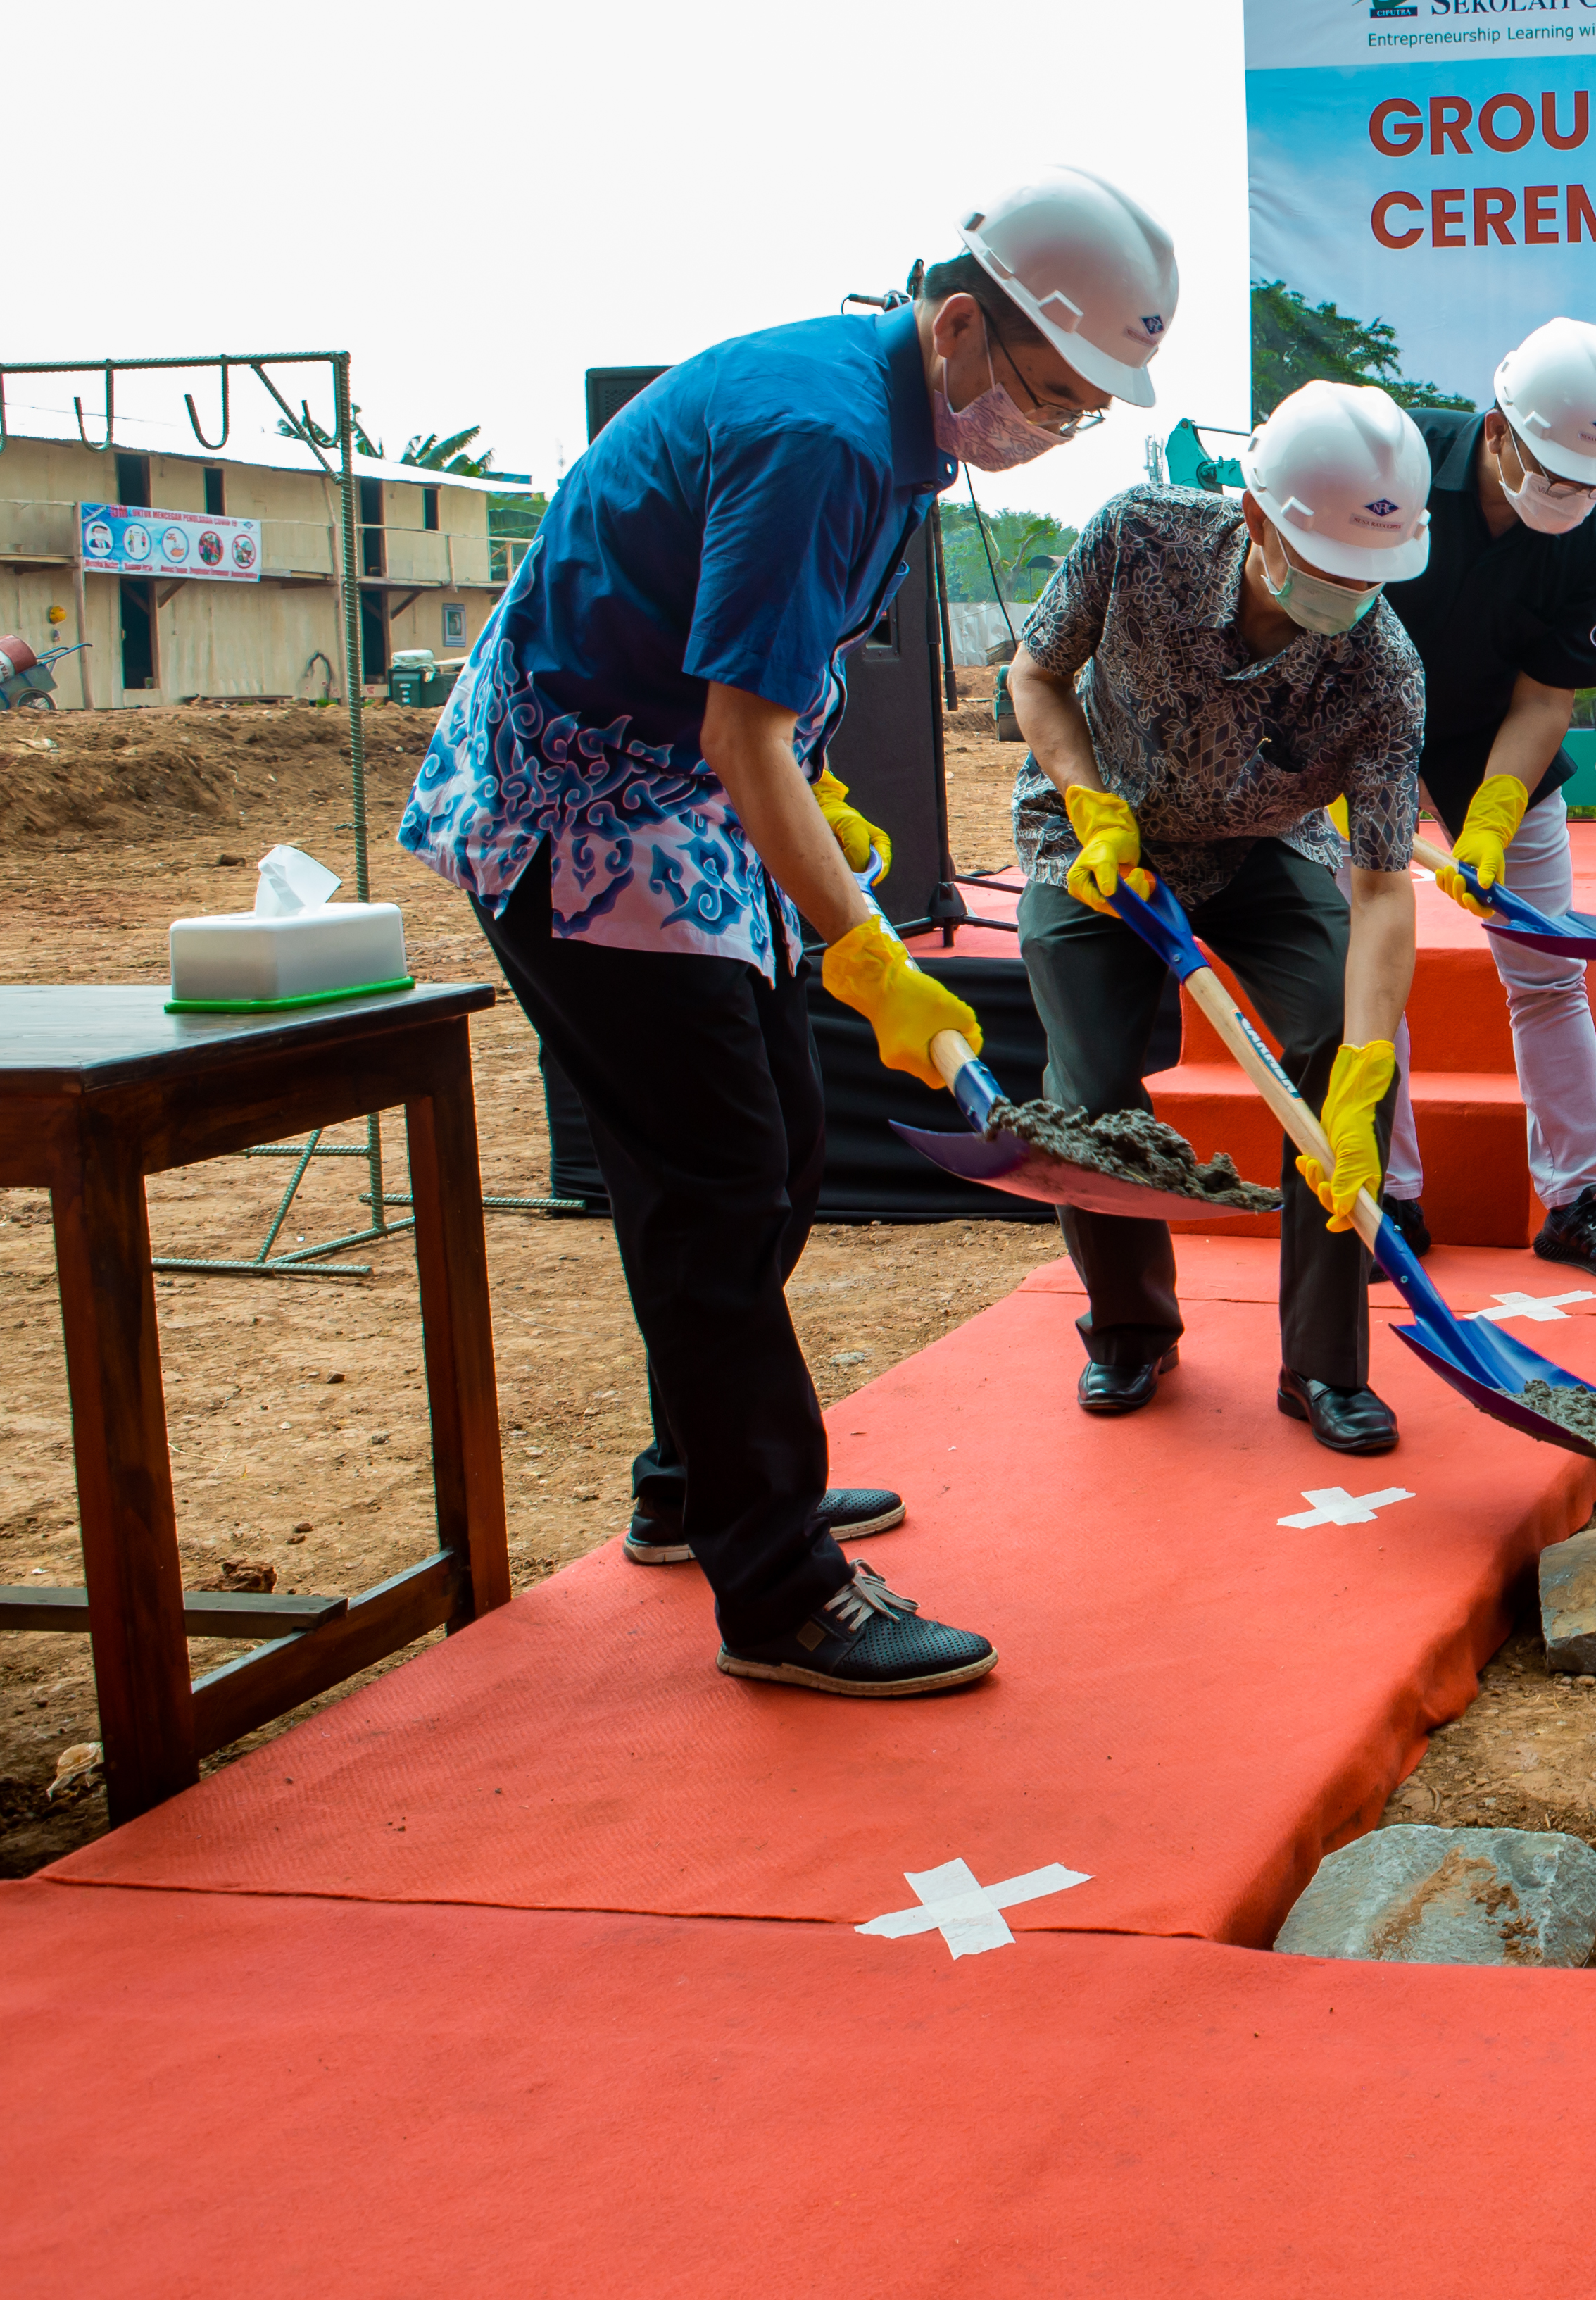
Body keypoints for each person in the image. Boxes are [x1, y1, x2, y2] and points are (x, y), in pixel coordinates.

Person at [399, 163, 1181, 1698]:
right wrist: (871, 952)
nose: (1053, 435)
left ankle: (701, 1481)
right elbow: (740, 729)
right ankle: (780, 1592)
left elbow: (779, 688)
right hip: (579, 804)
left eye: (1087, 414)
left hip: (677, 789)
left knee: (778, 1144)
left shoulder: (897, 423)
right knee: (716, 1177)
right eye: (1049, 393)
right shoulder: (826, 431)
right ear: (959, 328)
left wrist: (830, 808)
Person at [1001, 380, 1428, 1456]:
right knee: (1091, 1090)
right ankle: (1131, 1329)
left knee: (1339, 1054)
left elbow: (1381, 888)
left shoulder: (1385, 673)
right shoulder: (1139, 534)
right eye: (1330, 566)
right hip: (1094, 834)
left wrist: (1370, 1065)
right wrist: (1094, 804)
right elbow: (1037, 672)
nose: (1352, 595)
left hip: (1262, 847)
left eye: (1372, 575)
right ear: (1256, 516)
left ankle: (1325, 1368)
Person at [1378, 318, 1596, 1285]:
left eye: (1591, 483)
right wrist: (1328, 775)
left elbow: (1548, 696)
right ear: (1499, 428)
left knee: (1547, 971)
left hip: (1495, 733)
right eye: (1553, 473)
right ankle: (1386, 1197)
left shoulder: (1590, 536)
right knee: (1362, 965)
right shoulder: (1395, 458)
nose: (1570, 499)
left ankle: (1579, 1201)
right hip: (1355, 720)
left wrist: (1496, 813)